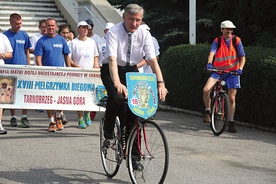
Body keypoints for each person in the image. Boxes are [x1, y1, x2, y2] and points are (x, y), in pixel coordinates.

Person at [100, 4, 168, 170]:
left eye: (138, 20)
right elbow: (112, 60)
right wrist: (117, 83)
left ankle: (134, 156)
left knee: (135, 113)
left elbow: (152, 60)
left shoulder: (144, 33)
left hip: (131, 70)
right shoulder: (114, 32)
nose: (135, 23)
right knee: (116, 98)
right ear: (124, 17)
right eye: (131, 19)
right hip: (111, 69)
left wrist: (161, 83)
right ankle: (108, 130)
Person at [203, 20, 246, 133]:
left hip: (232, 72)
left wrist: (240, 68)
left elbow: (242, 57)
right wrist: (209, 63)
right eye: (227, 29)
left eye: (231, 29)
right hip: (218, 71)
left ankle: (231, 122)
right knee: (206, 89)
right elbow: (212, 53)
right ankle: (208, 110)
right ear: (222, 29)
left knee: (231, 98)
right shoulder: (217, 41)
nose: (229, 31)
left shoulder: (236, 40)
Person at [34, 18, 71, 132]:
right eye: (48, 26)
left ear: (56, 27)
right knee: (48, 99)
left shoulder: (61, 40)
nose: (50, 27)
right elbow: (38, 58)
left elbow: (66, 56)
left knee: (60, 97)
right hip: (47, 75)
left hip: (60, 74)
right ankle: (51, 121)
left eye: (52, 26)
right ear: (45, 27)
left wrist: (69, 70)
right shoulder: (41, 41)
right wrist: (41, 72)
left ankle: (59, 118)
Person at [3, 13, 32, 128]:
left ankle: (24, 117)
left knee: (24, 93)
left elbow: (27, 52)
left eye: (20, 23)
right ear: (11, 23)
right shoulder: (5, 36)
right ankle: (13, 117)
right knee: (10, 93)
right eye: (17, 24)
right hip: (10, 69)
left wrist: (28, 65)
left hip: (23, 68)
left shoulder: (24, 35)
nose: (19, 26)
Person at [69, 21, 99, 129]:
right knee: (79, 96)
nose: (85, 29)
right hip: (78, 74)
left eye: (87, 28)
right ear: (78, 29)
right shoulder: (73, 43)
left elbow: (96, 56)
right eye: (83, 28)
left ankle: (87, 112)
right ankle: (80, 118)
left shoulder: (92, 42)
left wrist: (96, 65)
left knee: (90, 95)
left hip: (90, 74)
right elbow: (69, 59)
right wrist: (76, 67)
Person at [0, 32, 13, 134]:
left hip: (1, 71)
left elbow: (10, 53)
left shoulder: (3, 37)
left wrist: (2, 55)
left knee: (1, 98)